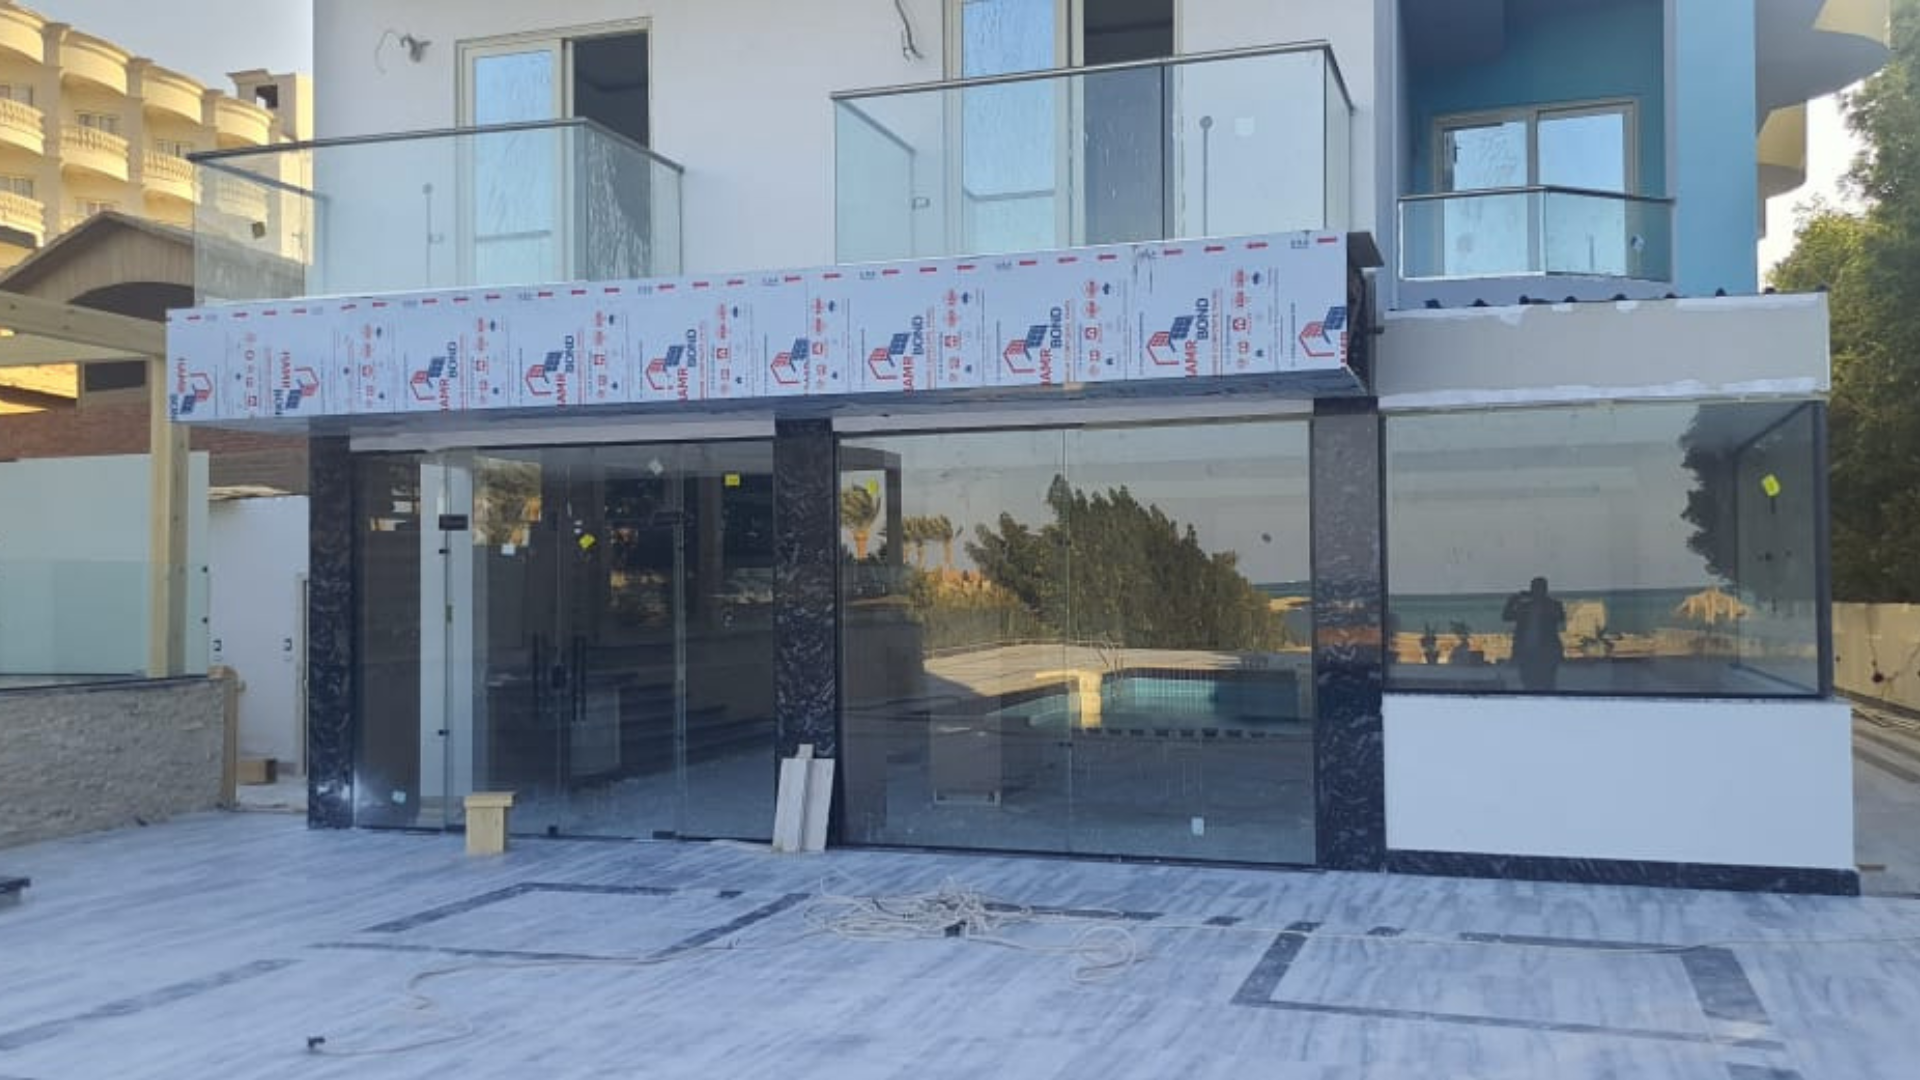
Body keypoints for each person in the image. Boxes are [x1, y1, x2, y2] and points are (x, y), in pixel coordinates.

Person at [1503, 577, 1566, 691]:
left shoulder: (1553, 605)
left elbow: (1560, 617)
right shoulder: (1524, 607)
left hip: (1547, 652)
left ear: (1545, 590)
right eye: (1535, 588)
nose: (1537, 591)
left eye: (1539, 588)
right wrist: (1513, 600)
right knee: (1528, 683)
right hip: (1527, 652)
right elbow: (1507, 616)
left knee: (1547, 683)